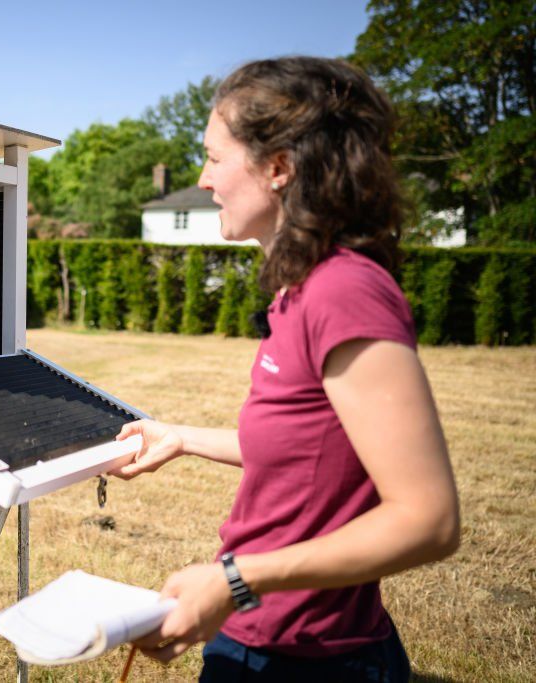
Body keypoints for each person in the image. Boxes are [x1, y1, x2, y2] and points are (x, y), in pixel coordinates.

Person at [110, 57, 460, 682]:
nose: (203, 178)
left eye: (215, 158)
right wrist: (182, 438)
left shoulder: (343, 291)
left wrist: (236, 579)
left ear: (279, 167)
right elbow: (312, 454)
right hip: (256, 639)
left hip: (318, 661)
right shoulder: (298, 291)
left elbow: (428, 520)